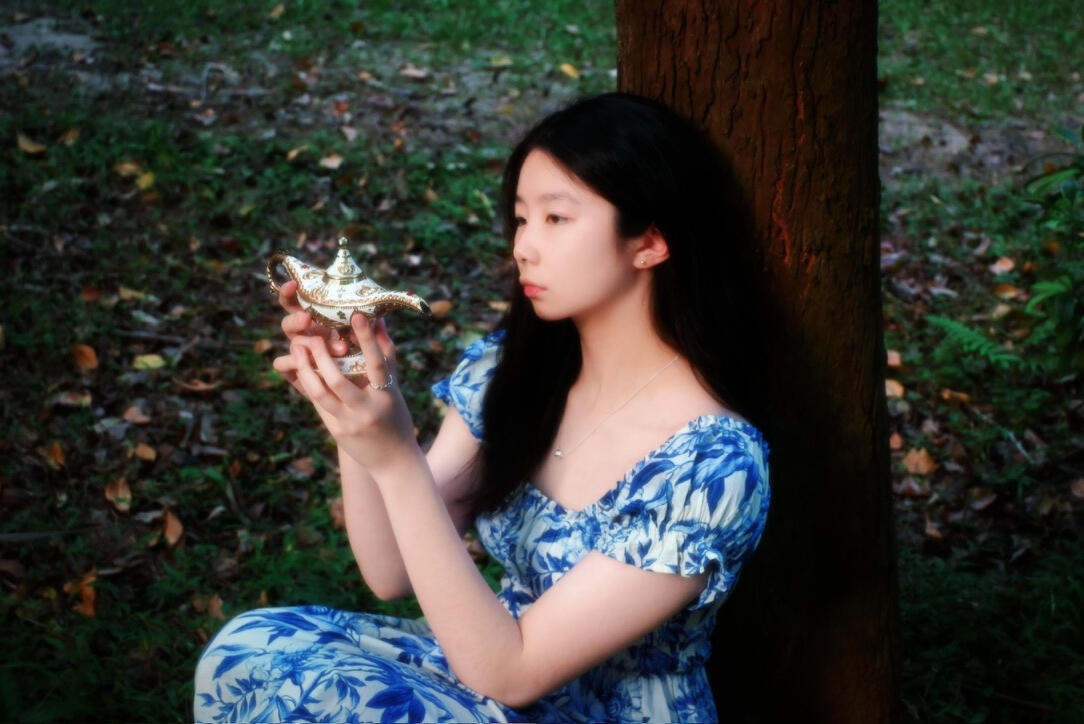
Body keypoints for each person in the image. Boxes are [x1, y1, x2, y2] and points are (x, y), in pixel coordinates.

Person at [194, 92, 771, 723]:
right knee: (252, 651)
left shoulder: (713, 463)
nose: (524, 246)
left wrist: (398, 459)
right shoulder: (515, 372)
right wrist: (355, 398)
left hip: (583, 702)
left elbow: (515, 672)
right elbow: (389, 571)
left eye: (556, 218)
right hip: (482, 664)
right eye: (521, 219)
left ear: (651, 242)